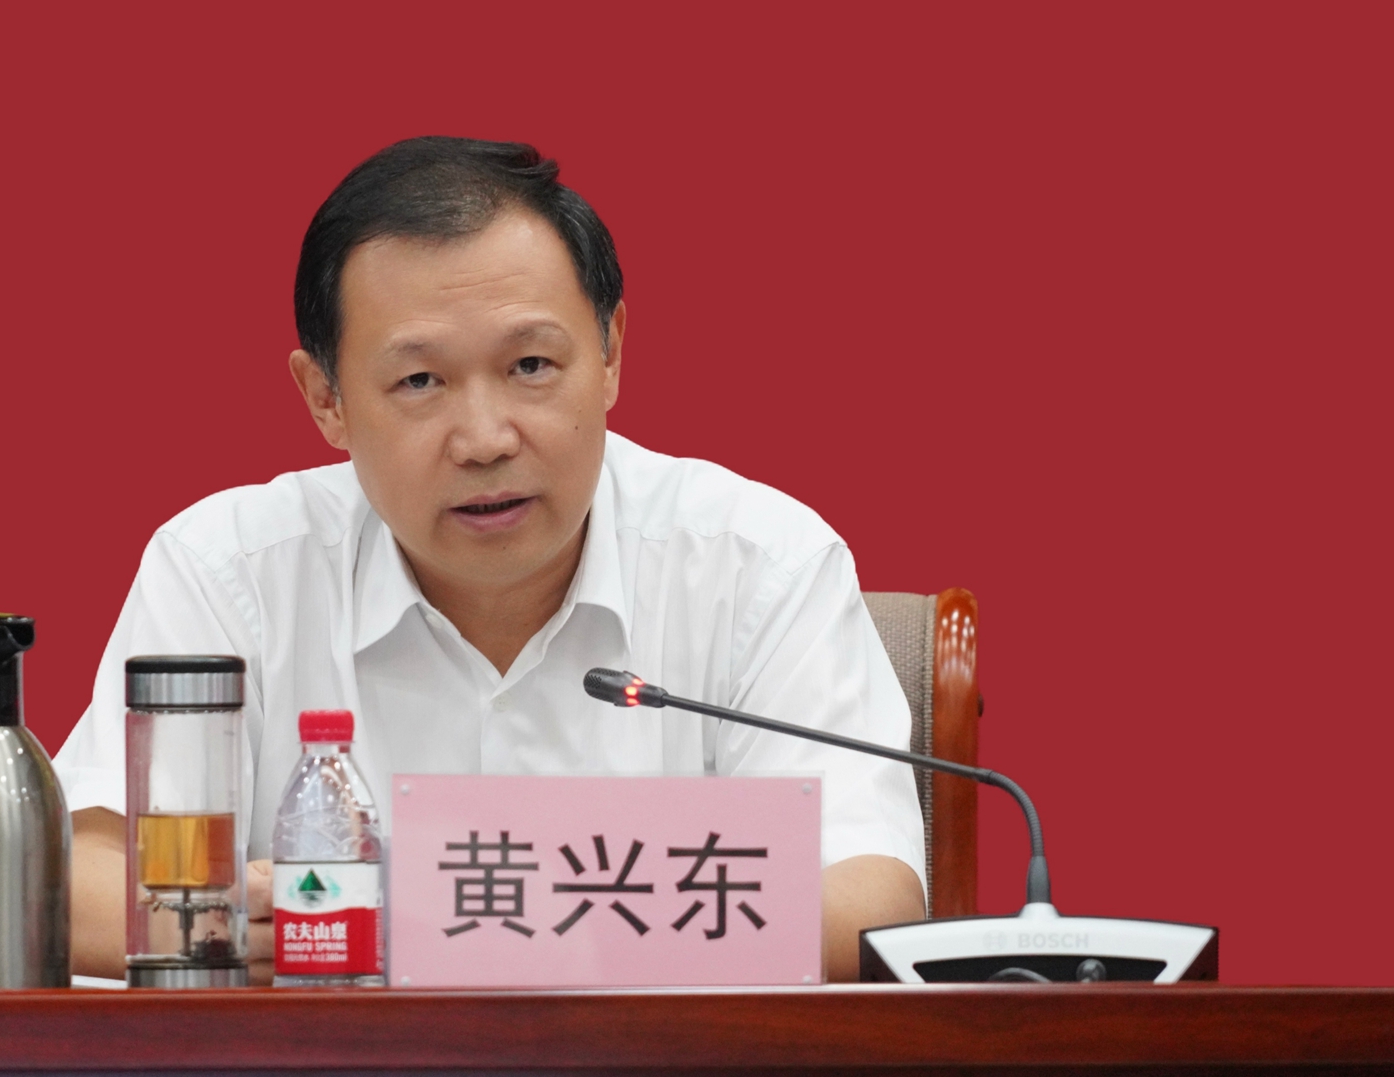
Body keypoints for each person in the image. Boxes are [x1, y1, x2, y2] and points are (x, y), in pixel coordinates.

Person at [55, 136, 926, 983]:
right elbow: (77, 883)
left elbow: (867, 900)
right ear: (327, 399)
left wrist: (417, 919)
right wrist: (220, 926)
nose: (484, 439)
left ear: (611, 353)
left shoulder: (759, 565)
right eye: (420, 382)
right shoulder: (228, 572)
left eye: (531, 365)